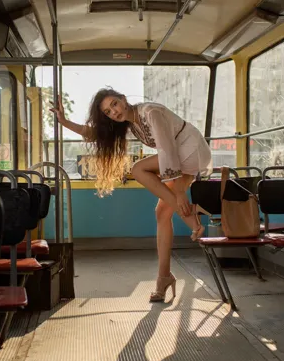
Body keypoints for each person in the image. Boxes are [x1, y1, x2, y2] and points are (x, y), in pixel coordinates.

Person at [50, 88, 212, 302]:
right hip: (182, 155)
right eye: (108, 112)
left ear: (124, 99)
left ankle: (190, 218)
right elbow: (95, 134)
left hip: (189, 150)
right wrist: (64, 122)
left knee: (138, 169)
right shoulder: (130, 122)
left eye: (114, 104)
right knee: (162, 213)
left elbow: (166, 149)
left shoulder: (150, 112)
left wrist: (180, 191)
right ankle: (164, 277)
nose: (114, 112)